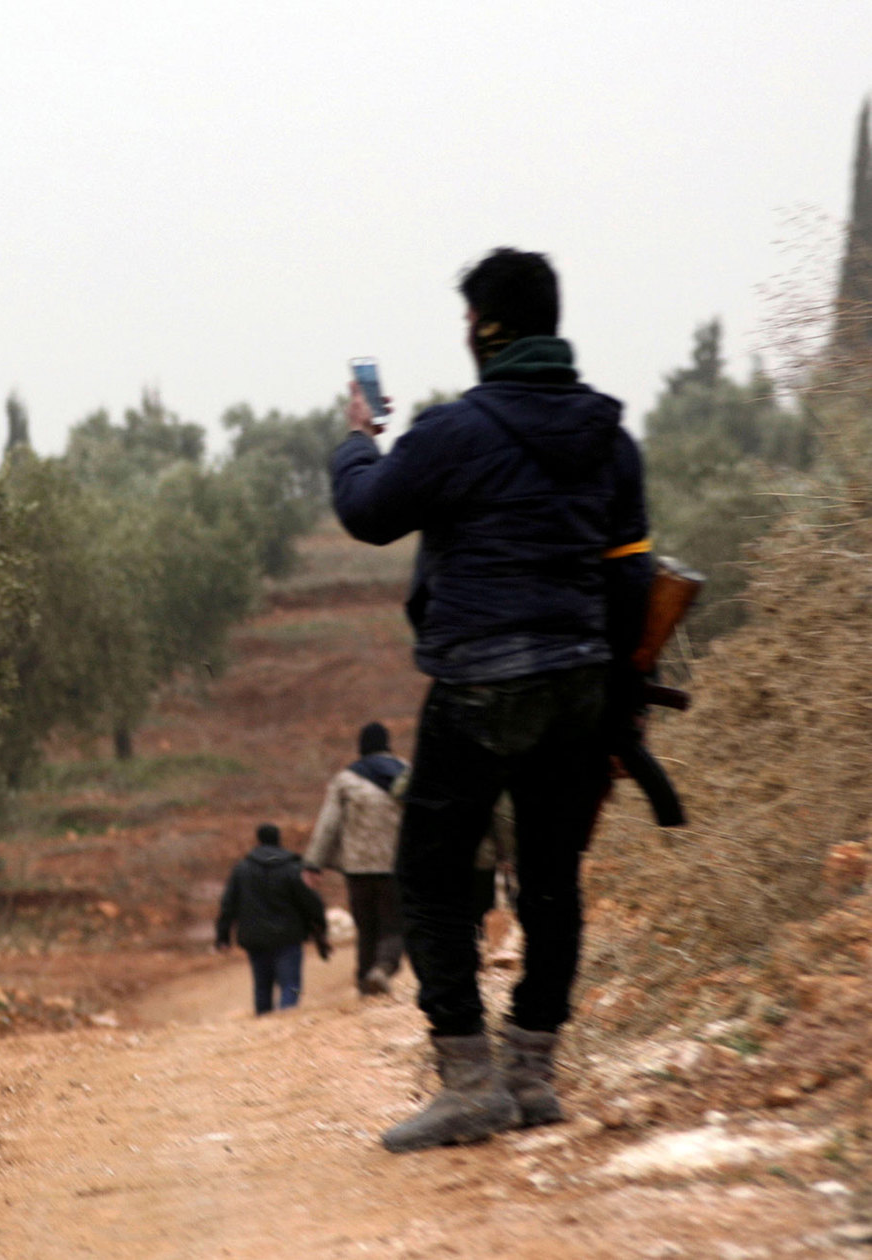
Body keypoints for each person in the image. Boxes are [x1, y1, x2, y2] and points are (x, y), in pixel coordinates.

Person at [331, 248, 652, 1153]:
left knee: (430, 873)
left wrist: (358, 438)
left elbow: (368, 513)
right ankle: (533, 1074)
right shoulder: (609, 438)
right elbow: (632, 579)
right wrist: (613, 700)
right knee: (551, 878)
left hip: (481, 681)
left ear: (484, 328)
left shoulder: (452, 431)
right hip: (582, 681)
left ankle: (469, 1082)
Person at [304, 722, 407, 996]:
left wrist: (313, 863)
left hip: (358, 870)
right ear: (387, 743)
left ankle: (365, 982)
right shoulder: (405, 773)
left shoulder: (346, 780)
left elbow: (328, 825)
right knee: (394, 924)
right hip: (394, 867)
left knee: (367, 927)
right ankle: (383, 969)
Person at [215, 824, 332, 1016]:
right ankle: (285, 1020)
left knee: (262, 985)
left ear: (258, 840)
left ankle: (264, 1026)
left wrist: (223, 936)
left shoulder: (242, 869)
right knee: (291, 984)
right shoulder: (293, 868)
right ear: (279, 840)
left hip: (255, 938)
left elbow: (228, 904)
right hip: (288, 937)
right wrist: (320, 927)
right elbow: (311, 902)